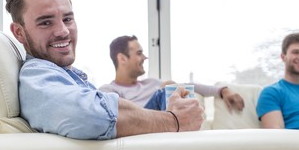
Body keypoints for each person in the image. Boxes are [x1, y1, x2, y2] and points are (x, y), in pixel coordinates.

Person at [5, 0, 204, 140]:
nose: (63, 31)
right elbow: (89, 116)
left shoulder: (63, 75)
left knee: (171, 94)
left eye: (67, 19)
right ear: (19, 32)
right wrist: (175, 121)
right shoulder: (36, 75)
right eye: (46, 23)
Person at [99, 35, 245, 111]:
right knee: (169, 86)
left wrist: (222, 90)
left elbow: (188, 85)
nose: (145, 57)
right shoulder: (109, 91)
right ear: (122, 58)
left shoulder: (151, 83)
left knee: (174, 86)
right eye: (139, 53)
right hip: (141, 128)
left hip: (166, 125)